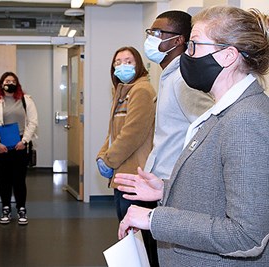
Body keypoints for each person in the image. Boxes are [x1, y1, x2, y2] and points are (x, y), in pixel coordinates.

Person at [116, 6, 269, 266]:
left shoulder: (246, 118)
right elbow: (217, 191)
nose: (186, 55)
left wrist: (154, 219)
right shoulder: (226, 111)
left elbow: (247, 236)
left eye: (194, 46)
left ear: (228, 56)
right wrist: (165, 189)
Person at [95, 46, 157, 263]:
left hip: (134, 176)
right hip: (122, 175)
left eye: (128, 61)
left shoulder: (141, 90)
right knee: (129, 236)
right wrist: (102, 155)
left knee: (138, 238)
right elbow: (114, 132)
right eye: (118, 61)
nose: (123, 65)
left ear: (138, 64)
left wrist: (109, 159)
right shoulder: (122, 91)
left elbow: (133, 133)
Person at [143, 10, 213, 181]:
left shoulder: (183, 79)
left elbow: (210, 125)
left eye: (158, 33)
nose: (151, 38)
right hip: (161, 177)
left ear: (178, 40)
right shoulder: (169, 75)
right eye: (150, 33)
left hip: (174, 179)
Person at [0, 71, 38, 225]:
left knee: (19, 180)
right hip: (2, 147)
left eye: (12, 81)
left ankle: (21, 208)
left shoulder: (26, 100)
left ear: (17, 84)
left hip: (20, 146)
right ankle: (6, 209)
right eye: (6, 80)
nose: (9, 83)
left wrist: (24, 141)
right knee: (4, 180)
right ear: (1, 83)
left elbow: (33, 122)